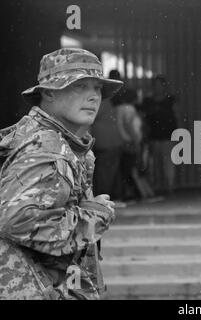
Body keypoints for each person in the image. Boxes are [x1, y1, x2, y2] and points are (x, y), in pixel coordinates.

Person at [0, 48, 122, 299]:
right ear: (48, 92)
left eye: (97, 88)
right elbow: (19, 221)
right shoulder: (47, 146)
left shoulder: (61, 141)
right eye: (80, 86)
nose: (93, 97)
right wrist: (94, 216)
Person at [140, 75, 178, 194]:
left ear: (164, 86)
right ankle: (155, 189)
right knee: (153, 166)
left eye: (159, 85)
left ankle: (169, 188)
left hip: (168, 136)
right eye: (155, 85)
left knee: (168, 165)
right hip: (153, 137)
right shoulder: (148, 101)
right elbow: (143, 120)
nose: (157, 87)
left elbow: (178, 116)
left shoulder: (171, 100)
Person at [91, 70, 124, 201]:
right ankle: (113, 198)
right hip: (111, 143)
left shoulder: (99, 102)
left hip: (107, 144)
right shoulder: (105, 101)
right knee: (110, 173)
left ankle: (105, 199)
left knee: (105, 174)